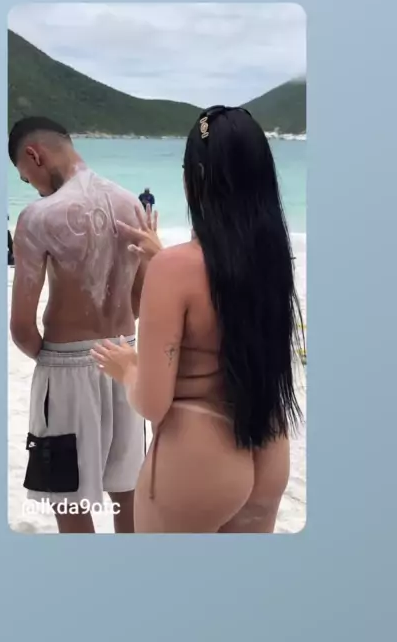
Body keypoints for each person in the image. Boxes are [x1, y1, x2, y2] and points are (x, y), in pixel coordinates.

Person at [91, 105, 304, 533]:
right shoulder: (273, 262)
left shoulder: (174, 269)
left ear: (197, 178)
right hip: (268, 440)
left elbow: (152, 402)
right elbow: (222, 293)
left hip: (197, 455)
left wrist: (127, 368)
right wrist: (163, 257)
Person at [8, 116, 148, 534]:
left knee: (69, 498)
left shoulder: (38, 217)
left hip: (66, 368)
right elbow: (141, 298)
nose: (32, 186)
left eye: (25, 176)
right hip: (124, 360)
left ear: (34, 155)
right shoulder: (131, 204)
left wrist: (54, 359)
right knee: (128, 492)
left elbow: (21, 326)